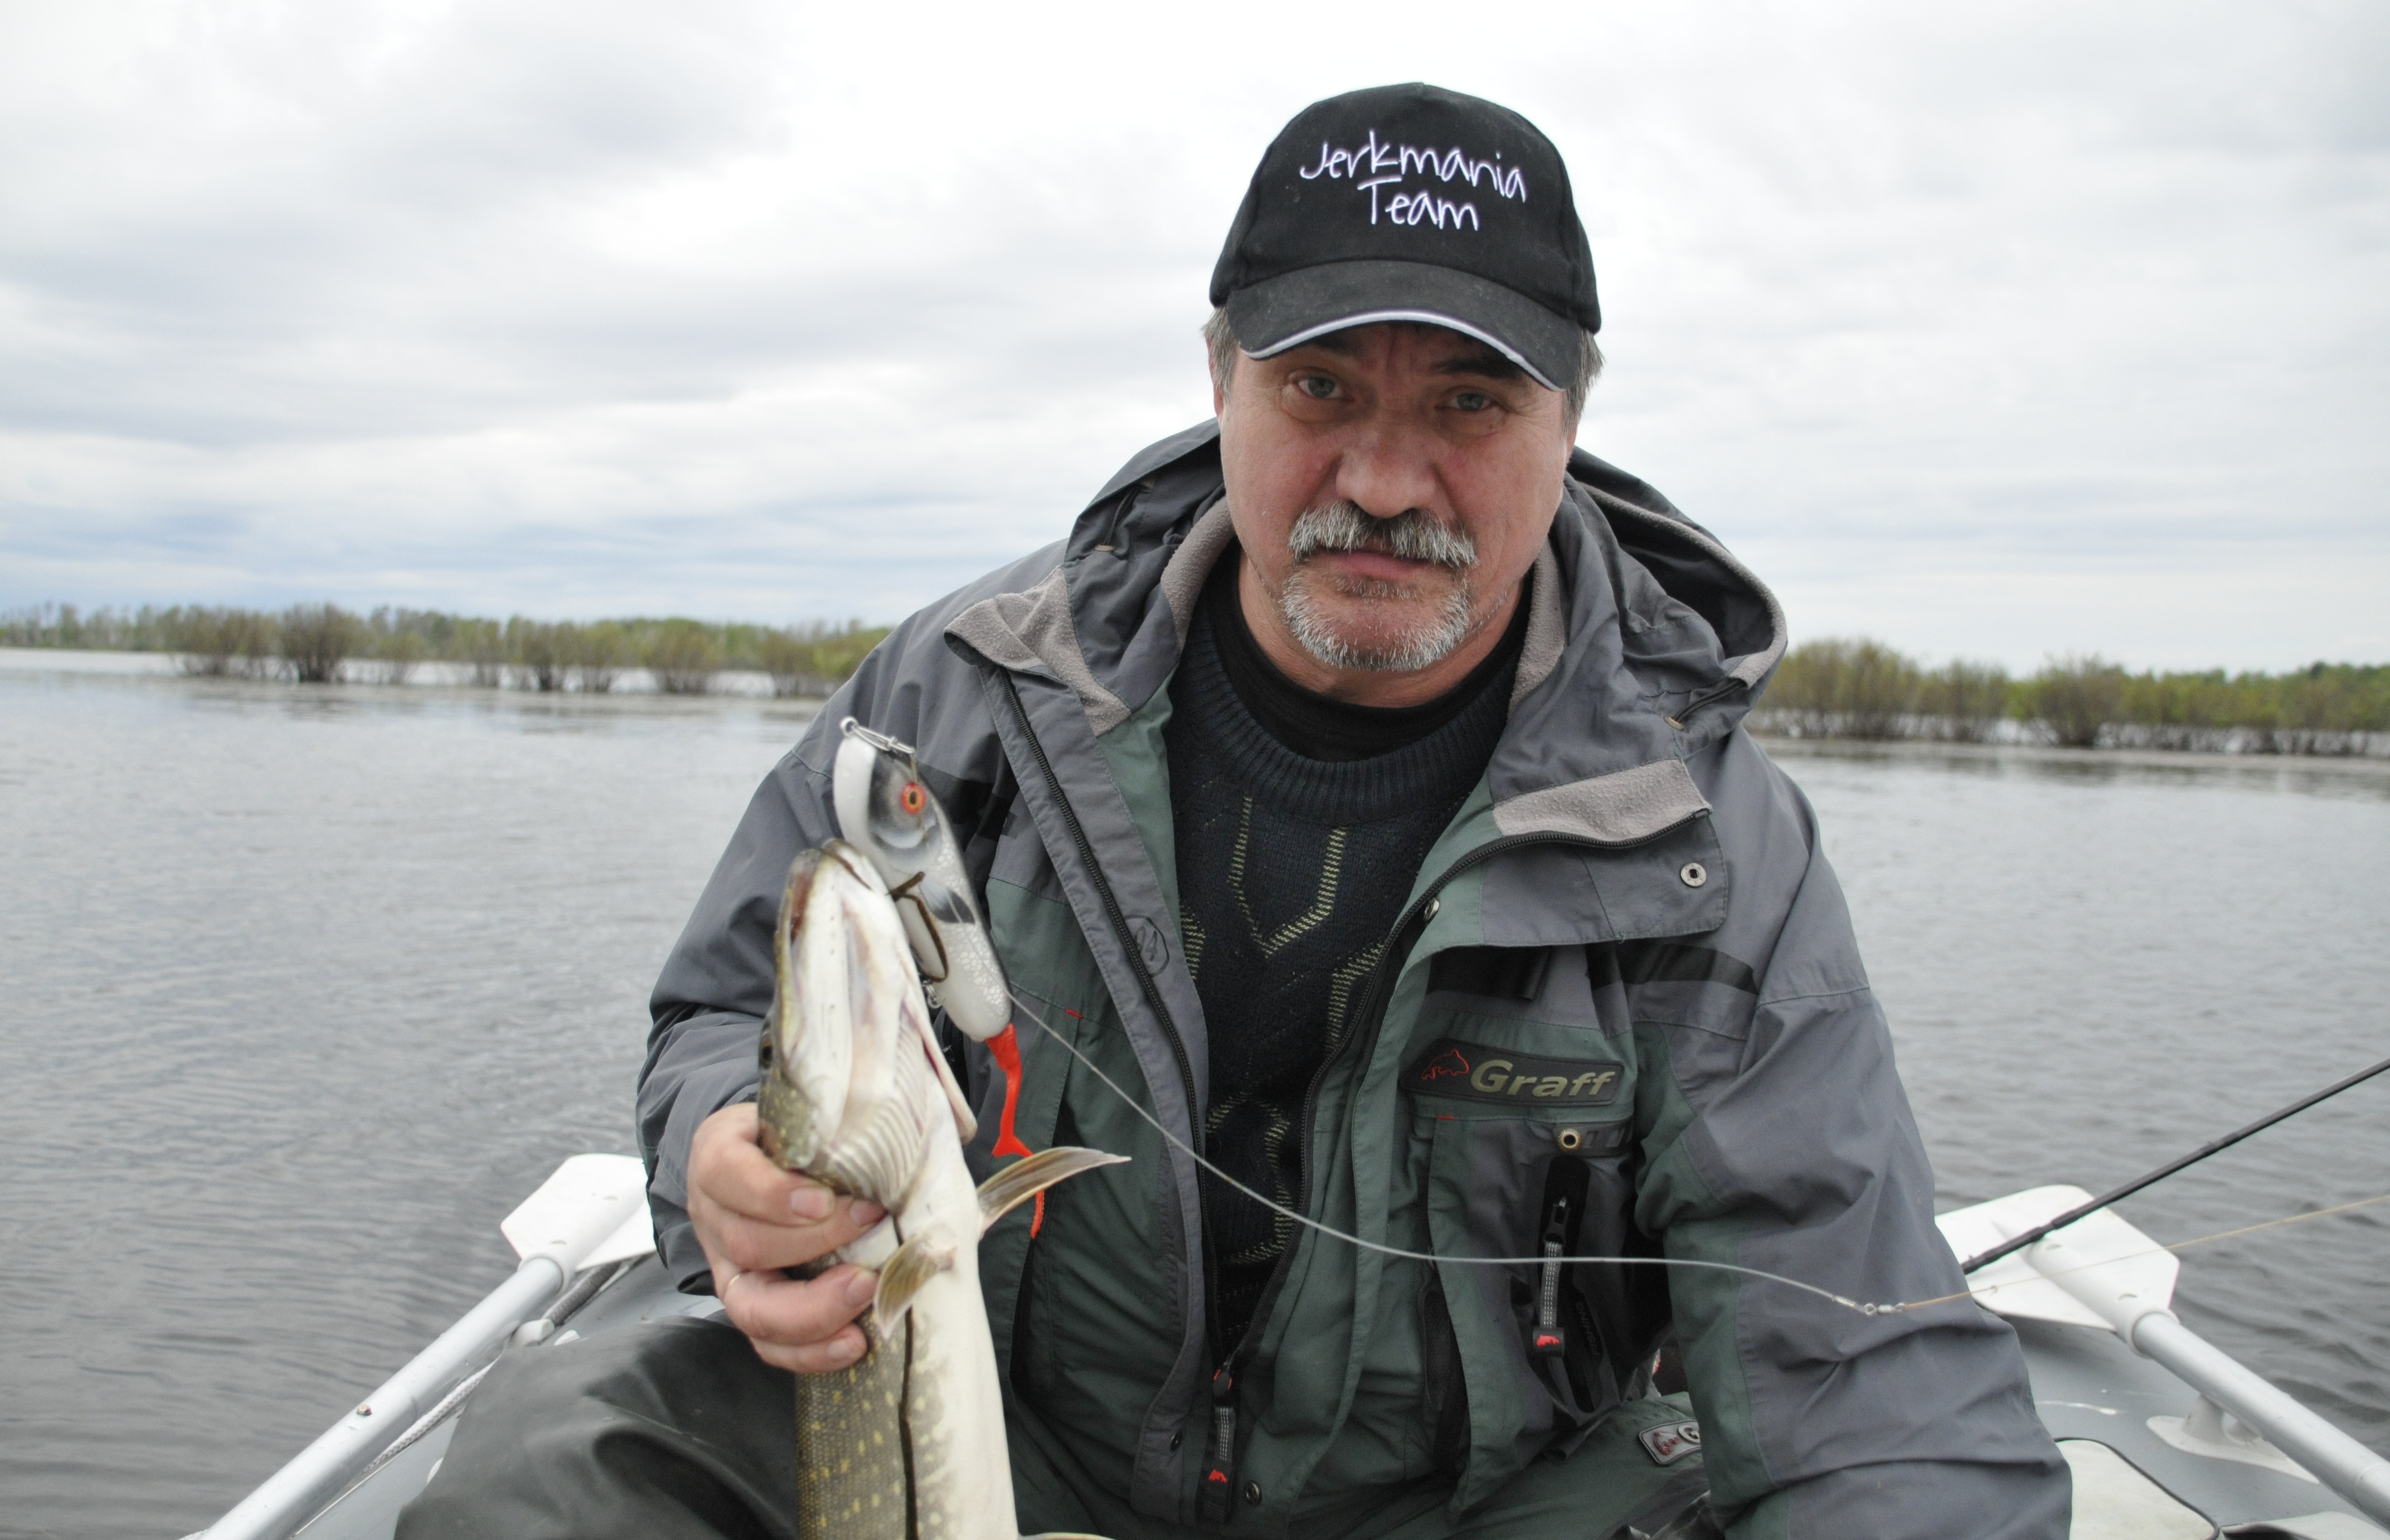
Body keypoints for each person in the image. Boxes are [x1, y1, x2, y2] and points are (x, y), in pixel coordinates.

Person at [405, 83, 2069, 1538]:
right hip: (1005, 1448)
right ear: (1223, 381)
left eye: (1469, 406)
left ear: (1571, 416)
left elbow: (1863, 1364)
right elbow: (721, 1011)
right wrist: (721, 1153)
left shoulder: (1711, 844)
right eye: (1322, 390)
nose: (1386, 481)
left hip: (1473, 1515)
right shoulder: (966, 692)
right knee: (560, 1457)